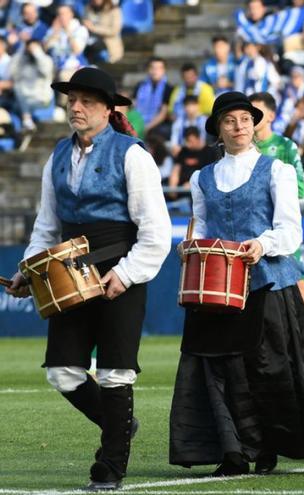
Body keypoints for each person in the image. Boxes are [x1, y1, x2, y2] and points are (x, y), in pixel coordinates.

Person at [168, 92, 304, 475]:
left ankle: (267, 446)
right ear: (218, 130)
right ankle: (233, 451)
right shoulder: (201, 178)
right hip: (216, 286)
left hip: (267, 282)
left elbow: (290, 229)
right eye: (229, 121)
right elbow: (201, 225)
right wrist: (191, 246)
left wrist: (263, 244)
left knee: (267, 369)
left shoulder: (276, 170)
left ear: (255, 125)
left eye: (244, 119)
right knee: (217, 369)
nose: (238, 127)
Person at [4, 67, 172, 490]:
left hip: (120, 267)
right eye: (71, 100)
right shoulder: (57, 154)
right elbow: (46, 226)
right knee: (62, 372)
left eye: (87, 101)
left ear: (109, 108)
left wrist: (126, 274)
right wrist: (28, 269)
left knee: (116, 372)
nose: (76, 107)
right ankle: (121, 425)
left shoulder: (133, 154)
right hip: (66, 270)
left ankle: (111, 465)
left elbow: (156, 231)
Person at [248, 91, 304, 384]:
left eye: (256, 112)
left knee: (299, 293)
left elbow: (299, 188)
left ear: (271, 116)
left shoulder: (284, 146)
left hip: (278, 230)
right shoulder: (241, 147)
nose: (250, 118)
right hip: (248, 232)